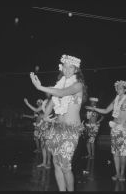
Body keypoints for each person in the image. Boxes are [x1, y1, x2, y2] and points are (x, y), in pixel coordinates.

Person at [30, 54, 87, 191]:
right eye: (65, 67)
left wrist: (40, 87)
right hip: (56, 129)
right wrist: (44, 117)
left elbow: (62, 93)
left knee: (66, 166)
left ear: (76, 70)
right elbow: (52, 103)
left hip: (71, 130)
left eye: (71, 67)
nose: (67, 70)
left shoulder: (78, 85)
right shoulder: (60, 84)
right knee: (56, 163)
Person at [86, 80, 126, 181]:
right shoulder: (115, 100)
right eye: (117, 87)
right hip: (115, 128)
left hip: (125, 128)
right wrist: (93, 109)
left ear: (125, 89)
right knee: (115, 152)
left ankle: (122, 174)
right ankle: (117, 173)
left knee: (123, 152)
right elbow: (106, 110)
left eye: (120, 87)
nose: (118, 89)